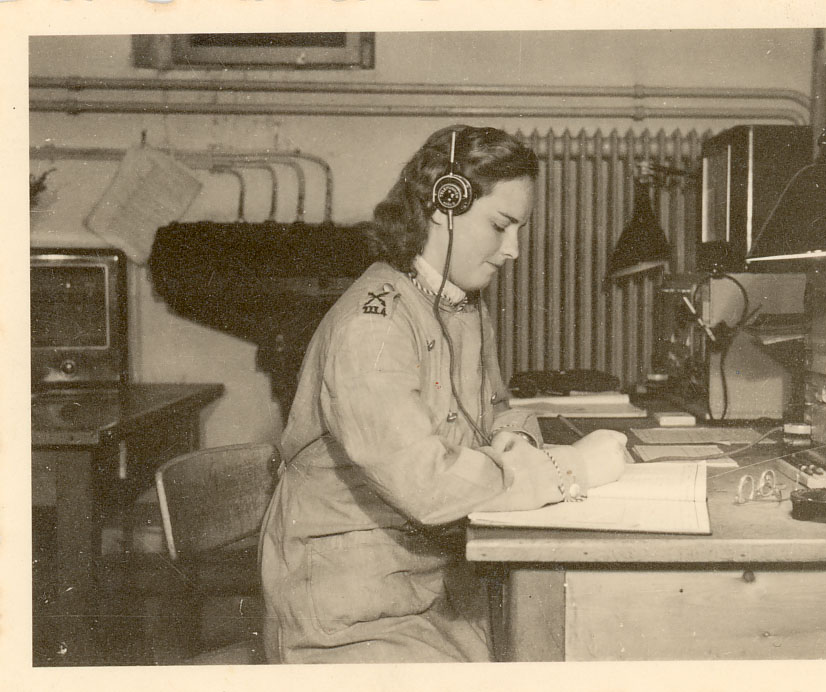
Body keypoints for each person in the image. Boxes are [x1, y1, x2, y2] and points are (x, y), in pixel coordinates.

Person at [259, 124, 628, 663]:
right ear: (443, 204)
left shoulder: (458, 305)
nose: (514, 250)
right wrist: (573, 471)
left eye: (520, 229)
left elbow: (492, 416)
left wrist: (516, 446)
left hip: (427, 592)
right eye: (501, 226)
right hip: (351, 613)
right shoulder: (374, 323)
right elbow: (427, 482)